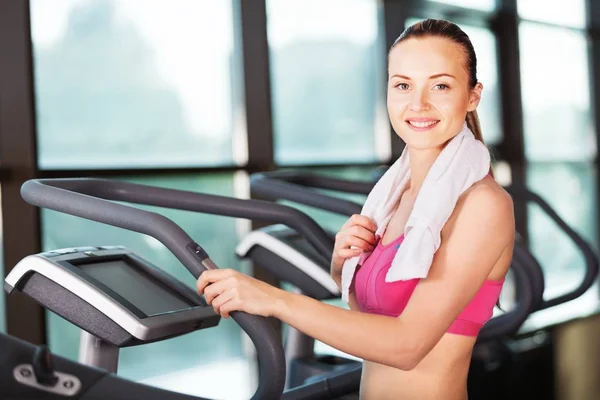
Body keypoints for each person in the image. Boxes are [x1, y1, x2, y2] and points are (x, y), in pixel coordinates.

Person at [196, 18, 515, 400]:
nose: (418, 104)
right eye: (403, 85)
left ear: (473, 96)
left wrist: (274, 299)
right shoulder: (394, 197)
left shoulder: (483, 204)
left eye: (441, 85)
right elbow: (372, 324)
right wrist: (341, 269)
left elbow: (406, 345)